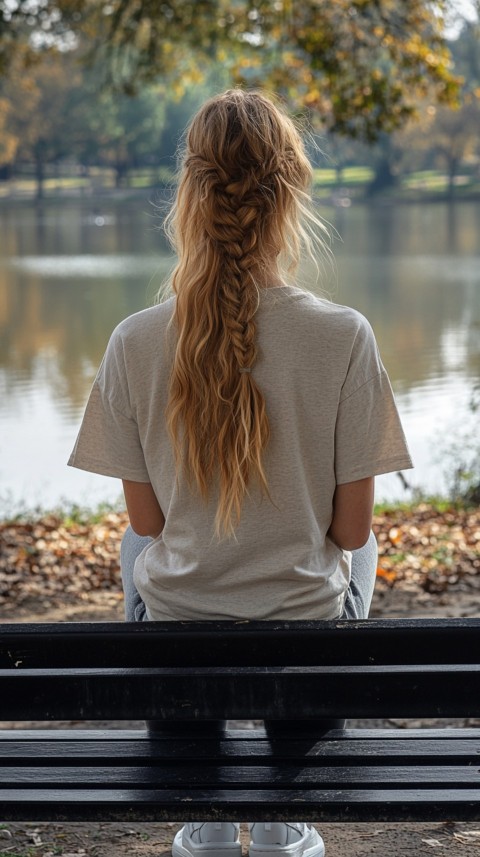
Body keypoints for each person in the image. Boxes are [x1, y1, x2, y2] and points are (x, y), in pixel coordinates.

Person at [69, 89, 413, 857]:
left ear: (189, 194)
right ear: (291, 193)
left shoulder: (134, 341)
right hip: (307, 628)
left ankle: (211, 820)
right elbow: (350, 531)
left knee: (138, 553)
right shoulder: (345, 336)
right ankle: (290, 811)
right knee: (357, 552)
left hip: (181, 629)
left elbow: (151, 525)